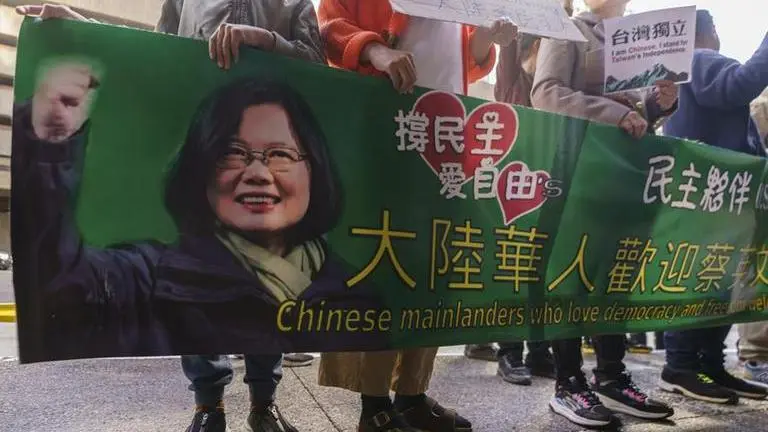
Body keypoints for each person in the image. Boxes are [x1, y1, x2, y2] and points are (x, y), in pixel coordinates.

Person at [16, 3, 329, 432]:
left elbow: (319, 64)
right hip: (202, 140)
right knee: (194, 278)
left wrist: (265, 41)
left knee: (273, 279)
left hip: (273, 160)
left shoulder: (294, 3)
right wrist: (83, 27)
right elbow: (154, 51)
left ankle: (264, 403)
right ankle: (209, 406)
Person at [316, 1, 515, 430]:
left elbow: (461, 60)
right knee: (384, 261)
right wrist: (374, 50)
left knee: (431, 265)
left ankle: (412, 394)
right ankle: (374, 406)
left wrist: (485, 37)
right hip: (383, 123)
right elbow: (329, 26)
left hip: (445, 131)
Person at [531, 0, 678, 427]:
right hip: (576, 168)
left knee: (614, 275)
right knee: (570, 274)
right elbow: (546, 92)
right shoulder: (570, 29)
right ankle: (568, 382)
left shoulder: (644, 37)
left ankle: (612, 376)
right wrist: (614, 113)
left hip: (624, 175)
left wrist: (657, 105)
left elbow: (640, 111)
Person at [659, 10, 768, 404]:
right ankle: (683, 366)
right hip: (712, 194)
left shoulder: (683, 70)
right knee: (702, 281)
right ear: (709, 32)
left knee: (714, 282)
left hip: (714, 193)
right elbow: (740, 86)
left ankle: (706, 364)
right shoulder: (698, 59)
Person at [490, 32, 555, 385]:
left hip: (551, 184)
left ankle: (541, 353)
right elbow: (508, 48)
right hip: (515, 190)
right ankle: (510, 353)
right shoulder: (515, 81)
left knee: (544, 272)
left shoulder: (560, 85)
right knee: (514, 270)